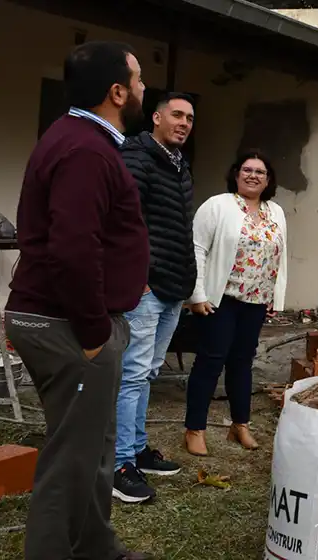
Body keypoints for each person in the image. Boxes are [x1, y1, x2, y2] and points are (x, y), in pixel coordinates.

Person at [5, 42, 151, 560]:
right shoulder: (86, 150)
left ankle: (94, 546)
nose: (142, 90)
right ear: (116, 92)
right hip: (68, 325)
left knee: (95, 446)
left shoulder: (83, 141)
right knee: (72, 456)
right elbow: (73, 248)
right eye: (136, 81)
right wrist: (94, 334)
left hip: (74, 321)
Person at [112, 92, 197, 504]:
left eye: (189, 118)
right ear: (157, 117)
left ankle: (138, 449)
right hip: (146, 287)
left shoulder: (180, 165)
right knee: (131, 375)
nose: (183, 123)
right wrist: (138, 277)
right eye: (176, 115)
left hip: (174, 286)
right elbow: (124, 221)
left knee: (147, 373)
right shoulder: (137, 155)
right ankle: (118, 464)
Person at [183, 151, 288, 456]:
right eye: (247, 170)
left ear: (268, 180)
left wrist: (275, 297)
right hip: (220, 300)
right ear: (236, 173)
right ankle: (194, 429)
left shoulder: (275, 212)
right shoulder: (217, 205)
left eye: (260, 171)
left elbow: (280, 256)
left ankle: (240, 425)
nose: (253, 175)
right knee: (211, 361)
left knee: (243, 363)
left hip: (256, 301)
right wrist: (197, 294)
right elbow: (197, 250)